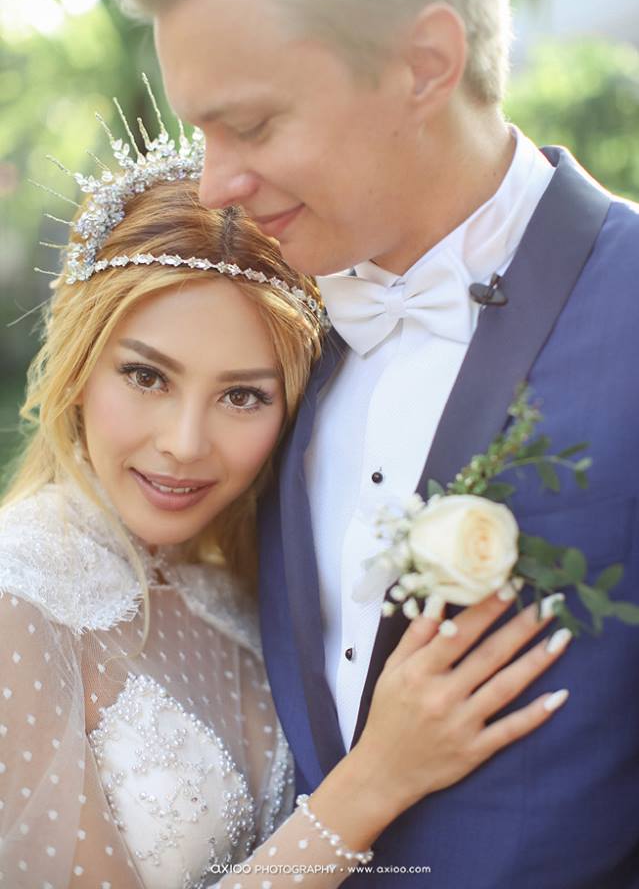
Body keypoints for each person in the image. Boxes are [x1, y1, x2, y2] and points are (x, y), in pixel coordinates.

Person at [114, 0, 639, 887]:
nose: (215, 185)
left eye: (252, 125)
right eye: (202, 132)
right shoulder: (260, 329)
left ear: (424, 64)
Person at [0, 108, 569, 889]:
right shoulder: (19, 598)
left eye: (242, 396)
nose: (184, 443)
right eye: (145, 376)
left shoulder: (240, 585)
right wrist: (375, 780)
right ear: (78, 368)